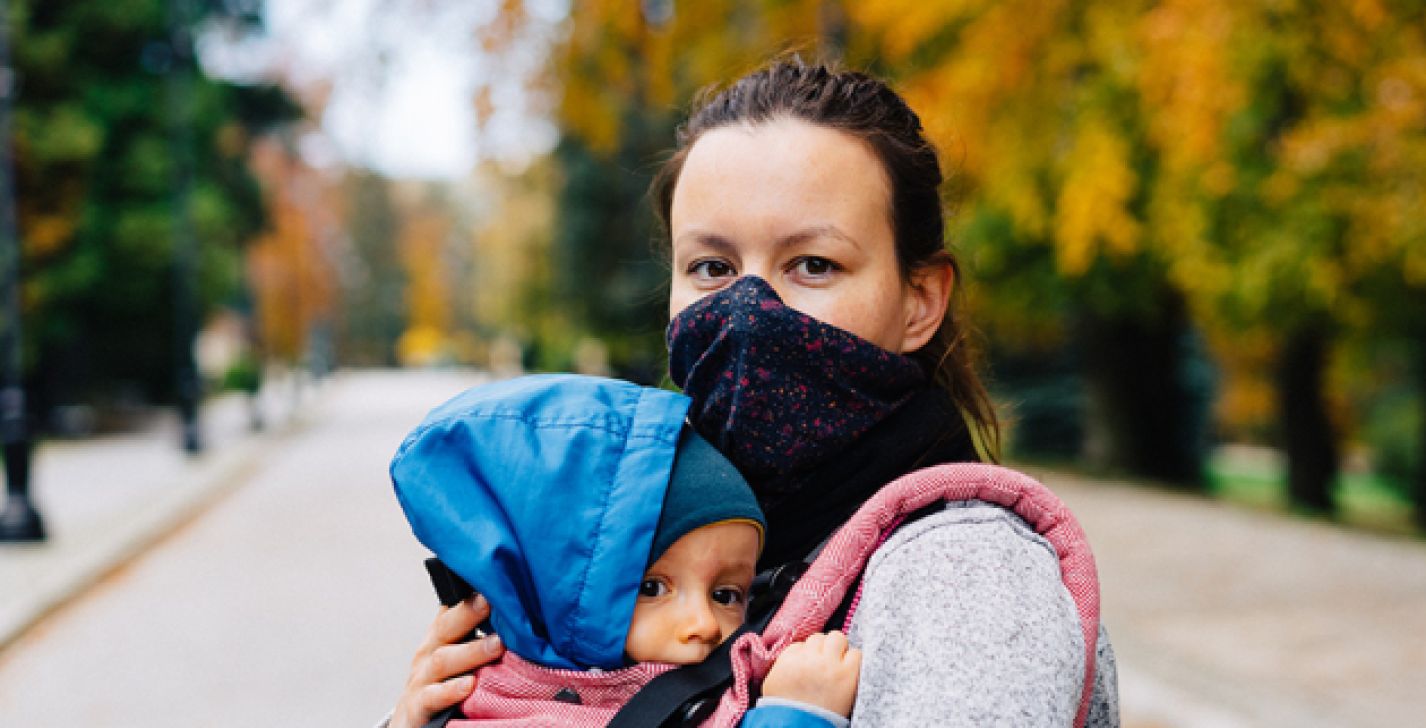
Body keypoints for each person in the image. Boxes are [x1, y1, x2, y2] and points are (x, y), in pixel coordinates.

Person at [392, 58, 1119, 727]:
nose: (748, 312)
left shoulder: (964, 578)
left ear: (920, 300)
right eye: (712, 267)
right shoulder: (664, 539)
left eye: (812, 264)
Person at [389, 374, 861, 727]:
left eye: (726, 595)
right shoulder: (496, 711)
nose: (703, 625)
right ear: (552, 595)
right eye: (652, 587)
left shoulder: (721, 683)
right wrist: (796, 716)